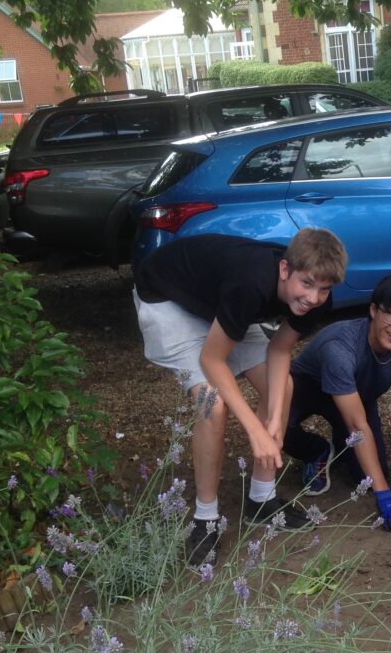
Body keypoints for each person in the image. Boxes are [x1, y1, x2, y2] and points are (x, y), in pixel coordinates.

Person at [133, 230, 347, 566]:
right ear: (285, 269)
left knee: (283, 388)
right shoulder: (250, 284)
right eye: (307, 284)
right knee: (212, 404)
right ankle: (205, 517)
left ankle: (262, 500)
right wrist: (257, 430)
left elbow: (280, 350)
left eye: (324, 289)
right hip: (167, 299)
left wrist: (274, 416)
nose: (313, 297)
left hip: (217, 302)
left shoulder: (314, 299)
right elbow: (212, 360)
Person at [285, 274, 391, 533]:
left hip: (355, 400)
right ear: (373, 310)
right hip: (307, 388)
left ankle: (342, 443)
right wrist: (383, 493)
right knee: (276, 427)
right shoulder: (341, 347)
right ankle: (315, 451)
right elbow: (357, 425)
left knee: (369, 476)